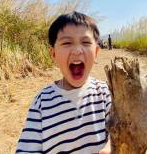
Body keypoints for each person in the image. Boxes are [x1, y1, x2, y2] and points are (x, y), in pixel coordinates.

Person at [16, 11, 111, 154]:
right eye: (67, 43)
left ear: (97, 52)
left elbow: (120, 129)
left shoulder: (104, 92)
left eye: (85, 42)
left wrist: (111, 146)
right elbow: (27, 149)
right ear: (53, 53)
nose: (77, 50)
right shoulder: (42, 101)